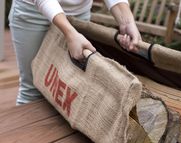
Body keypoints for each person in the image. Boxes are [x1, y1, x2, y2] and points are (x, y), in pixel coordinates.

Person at [8, 0, 142, 105]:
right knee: (32, 89)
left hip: (78, 15)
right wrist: (70, 33)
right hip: (33, 13)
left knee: (70, 87)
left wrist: (127, 22)